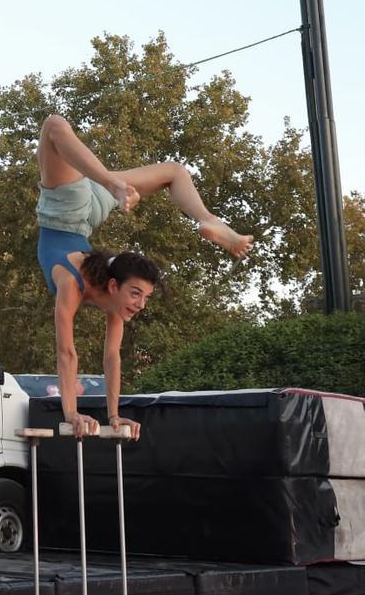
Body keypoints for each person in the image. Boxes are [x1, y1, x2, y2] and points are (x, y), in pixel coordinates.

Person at [36, 114, 253, 440]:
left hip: (88, 204)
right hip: (74, 205)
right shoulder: (74, 282)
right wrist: (71, 412)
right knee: (54, 126)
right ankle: (118, 185)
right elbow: (67, 353)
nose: (140, 305)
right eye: (136, 294)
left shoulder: (97, 291)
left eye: (144, 297)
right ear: (114, 285)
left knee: (174, 172)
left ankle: (211, 222)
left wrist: (114, 415)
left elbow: (111, 357)